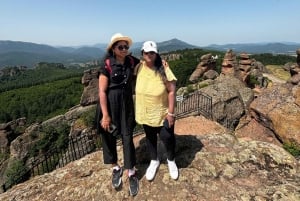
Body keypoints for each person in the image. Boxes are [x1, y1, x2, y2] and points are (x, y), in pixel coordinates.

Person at [97, 33, 140, 196]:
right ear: (113, 49)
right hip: (110, 103)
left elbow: (147, 63)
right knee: (109, 135)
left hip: (127, 103)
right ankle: (115, 167)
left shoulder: (131, 61)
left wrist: (160, 62)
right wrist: (105, 115)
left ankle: (131, 171)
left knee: (127, 136)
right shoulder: (107, 64)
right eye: (120, 47)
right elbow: (101, 91)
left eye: (126, 46)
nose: (124, 49)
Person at [134, 41, 179, 181]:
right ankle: (154, 160)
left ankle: (171, 160)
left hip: (162, 113)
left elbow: (172, 91)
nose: (149, 55)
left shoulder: (163, 69)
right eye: (146, 52)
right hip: (146, 113)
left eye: (152, 52)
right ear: (142, 53)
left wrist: (171, 113)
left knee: (167, 137)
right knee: (150, 138)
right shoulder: (139, 67)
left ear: (156, 54)